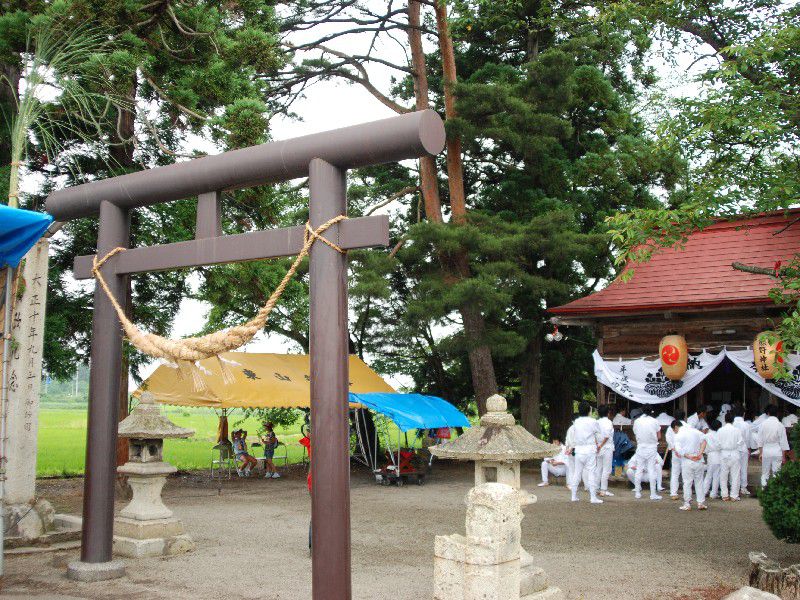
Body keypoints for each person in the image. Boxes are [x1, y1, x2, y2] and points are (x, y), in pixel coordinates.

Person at [569, 402, 603, 504]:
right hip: (590, 450)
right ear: (589, 411)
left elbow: (574, 437)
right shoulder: (593, 421)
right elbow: (599, 434)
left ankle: (573, 496)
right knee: (591, 473)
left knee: (577, 473)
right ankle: (593, 497)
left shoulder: (576, 422)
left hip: (579, 450)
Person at [674, 419, 707, 511]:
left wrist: (688, 456)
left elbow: (678, 449)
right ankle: (700, 503)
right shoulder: (695, 431)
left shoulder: (678, 435)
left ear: (676, 427)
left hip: (687, 460)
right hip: (698, 459)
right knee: (699, 481)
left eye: (674, 430)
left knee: (687, 482)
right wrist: (700, 453)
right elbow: (704, 440)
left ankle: (687, 503)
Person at [631, 407, 662, 500]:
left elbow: (635, 433)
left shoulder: (637, 421)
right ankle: (653, 494)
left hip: (641, 447)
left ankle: (637, 492)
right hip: (651, 447)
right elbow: (659, 436)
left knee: (639, 470)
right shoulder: (655, 421)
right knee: (652, 470)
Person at [757, 404, 790, 487]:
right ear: (777, 413)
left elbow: (759, 440)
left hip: (766, 450)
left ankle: (764, 491)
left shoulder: (763, 424)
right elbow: (783, 442)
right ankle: (776, 493)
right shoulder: (780, 425)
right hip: (777, 450)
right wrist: (783, 456)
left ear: (767, 413)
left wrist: (761, 453)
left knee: (765, 473)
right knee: (777, 473)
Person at [717, 412, 743, 501]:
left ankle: (724, 495)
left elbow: (718, 443)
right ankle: (734, 495)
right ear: (733, 420)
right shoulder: (737, 430)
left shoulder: (720, 430)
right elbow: (740, 442)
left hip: (724, 453)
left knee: (723, 475)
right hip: (735, 453)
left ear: (725, 420)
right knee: (735, 475)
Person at [665, 411, 687, 500]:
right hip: (685, 452)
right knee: (686, 473)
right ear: (684, 417)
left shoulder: (671, 426)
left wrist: (673, 448)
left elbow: (668, 438)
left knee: (675, 473)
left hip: (675, 452)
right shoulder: (686, 426)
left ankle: (673, 493)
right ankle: (686, 493)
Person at [732, 407, 752, 496]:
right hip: (743, 448)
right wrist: (749, 449)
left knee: (733, 469)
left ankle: (733, 487)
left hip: (733, 449)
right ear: (743, 414)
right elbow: (748, 439)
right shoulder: (746, 425)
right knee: (743, 468)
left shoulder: (731, 424)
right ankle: (743, 487)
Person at [596, 406, 615, 497]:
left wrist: (597, 445)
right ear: (608, 413)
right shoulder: (608, 422)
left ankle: (596, 487)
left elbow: (593, 435)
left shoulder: (596, 422)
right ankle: (603, 489)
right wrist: (600, 445)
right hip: (606, 447)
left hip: (598, 448)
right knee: (606, 469)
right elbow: (607, 436)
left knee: (599, 468)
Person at [703, 420, 722, 500]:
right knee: (716, 475)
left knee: (708, 475)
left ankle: (704, 492)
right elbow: (721, 445)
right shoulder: (719, 435)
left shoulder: (707, 435)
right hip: (718, 455)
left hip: (710, 455)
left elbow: (704, 447)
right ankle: (713, 493)